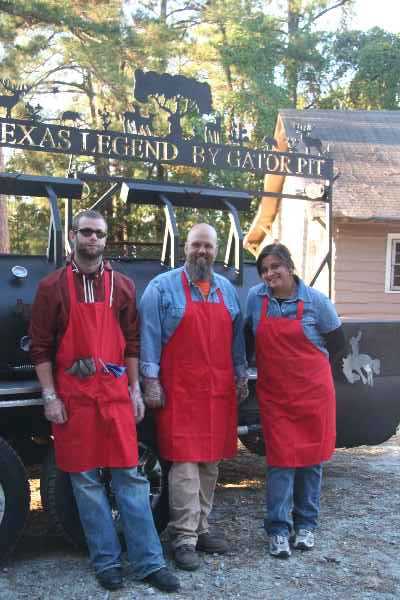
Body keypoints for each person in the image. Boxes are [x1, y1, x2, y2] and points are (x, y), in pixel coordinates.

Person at [30, 209, 180, 593]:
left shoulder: (124, 286)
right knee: (85, 483)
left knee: (130, 478)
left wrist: (134, 389)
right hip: (74, 399)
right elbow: (42, 348)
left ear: (106, 239)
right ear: (73, 237)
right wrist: (49, 396)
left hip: (114, 398)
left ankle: (149, 562)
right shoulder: (52, 288)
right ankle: (107, 562)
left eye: (98, 233)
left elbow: (131, 342)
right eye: (86, 232)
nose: (92, 239)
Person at [139, 223, 248, 571]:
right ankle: (183, 537)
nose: (202, 252)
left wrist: (240, 373)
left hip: (217, 391)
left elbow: (236, 340)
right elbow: (149, 339)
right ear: (185, 247)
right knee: (184, 464)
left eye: (209, 247)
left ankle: (201, 528)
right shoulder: (162, 288)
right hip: (180, 390)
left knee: (210, 463)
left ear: (217, 251)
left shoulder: (227, 290)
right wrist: (150, 381)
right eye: (196, 245)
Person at [245, 243, 345, 559]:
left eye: (275, 266)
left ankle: (306, 526)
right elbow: (248, 339)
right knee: (281, 464)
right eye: (264, 270)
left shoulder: (317, 302)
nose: (269, 274)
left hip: (313, 395)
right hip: (275, 396)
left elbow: (338, 344)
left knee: (311, 463)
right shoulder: (255, 299)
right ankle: (277, 530)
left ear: (289, 266)